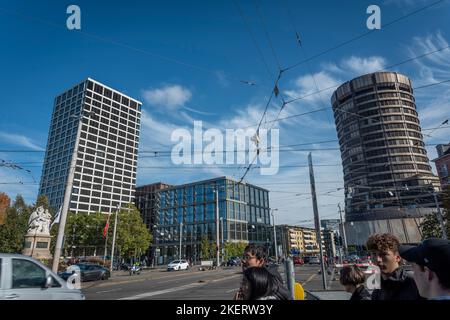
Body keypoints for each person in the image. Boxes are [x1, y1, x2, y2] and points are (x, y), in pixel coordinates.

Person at [366, 233, 421, 300]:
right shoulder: (377, 292)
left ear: (397, 257)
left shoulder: (415, 283)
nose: (378, 259)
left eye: (384, 254)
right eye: (374, 254)